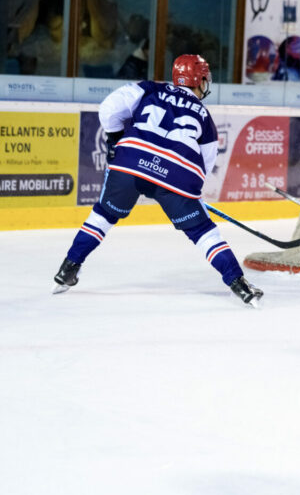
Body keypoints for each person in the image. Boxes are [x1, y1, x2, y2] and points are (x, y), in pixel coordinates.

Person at [52, 54, 263, 306]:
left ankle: (68, 269)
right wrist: (192, 193)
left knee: (102, 217)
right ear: (200, 80)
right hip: (176, 176)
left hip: (130, 163)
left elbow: (109, 107)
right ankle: (239, 284)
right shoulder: (205, 117)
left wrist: (113, 139)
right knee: (203, 232)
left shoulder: (149, 88)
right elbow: (205, 163)